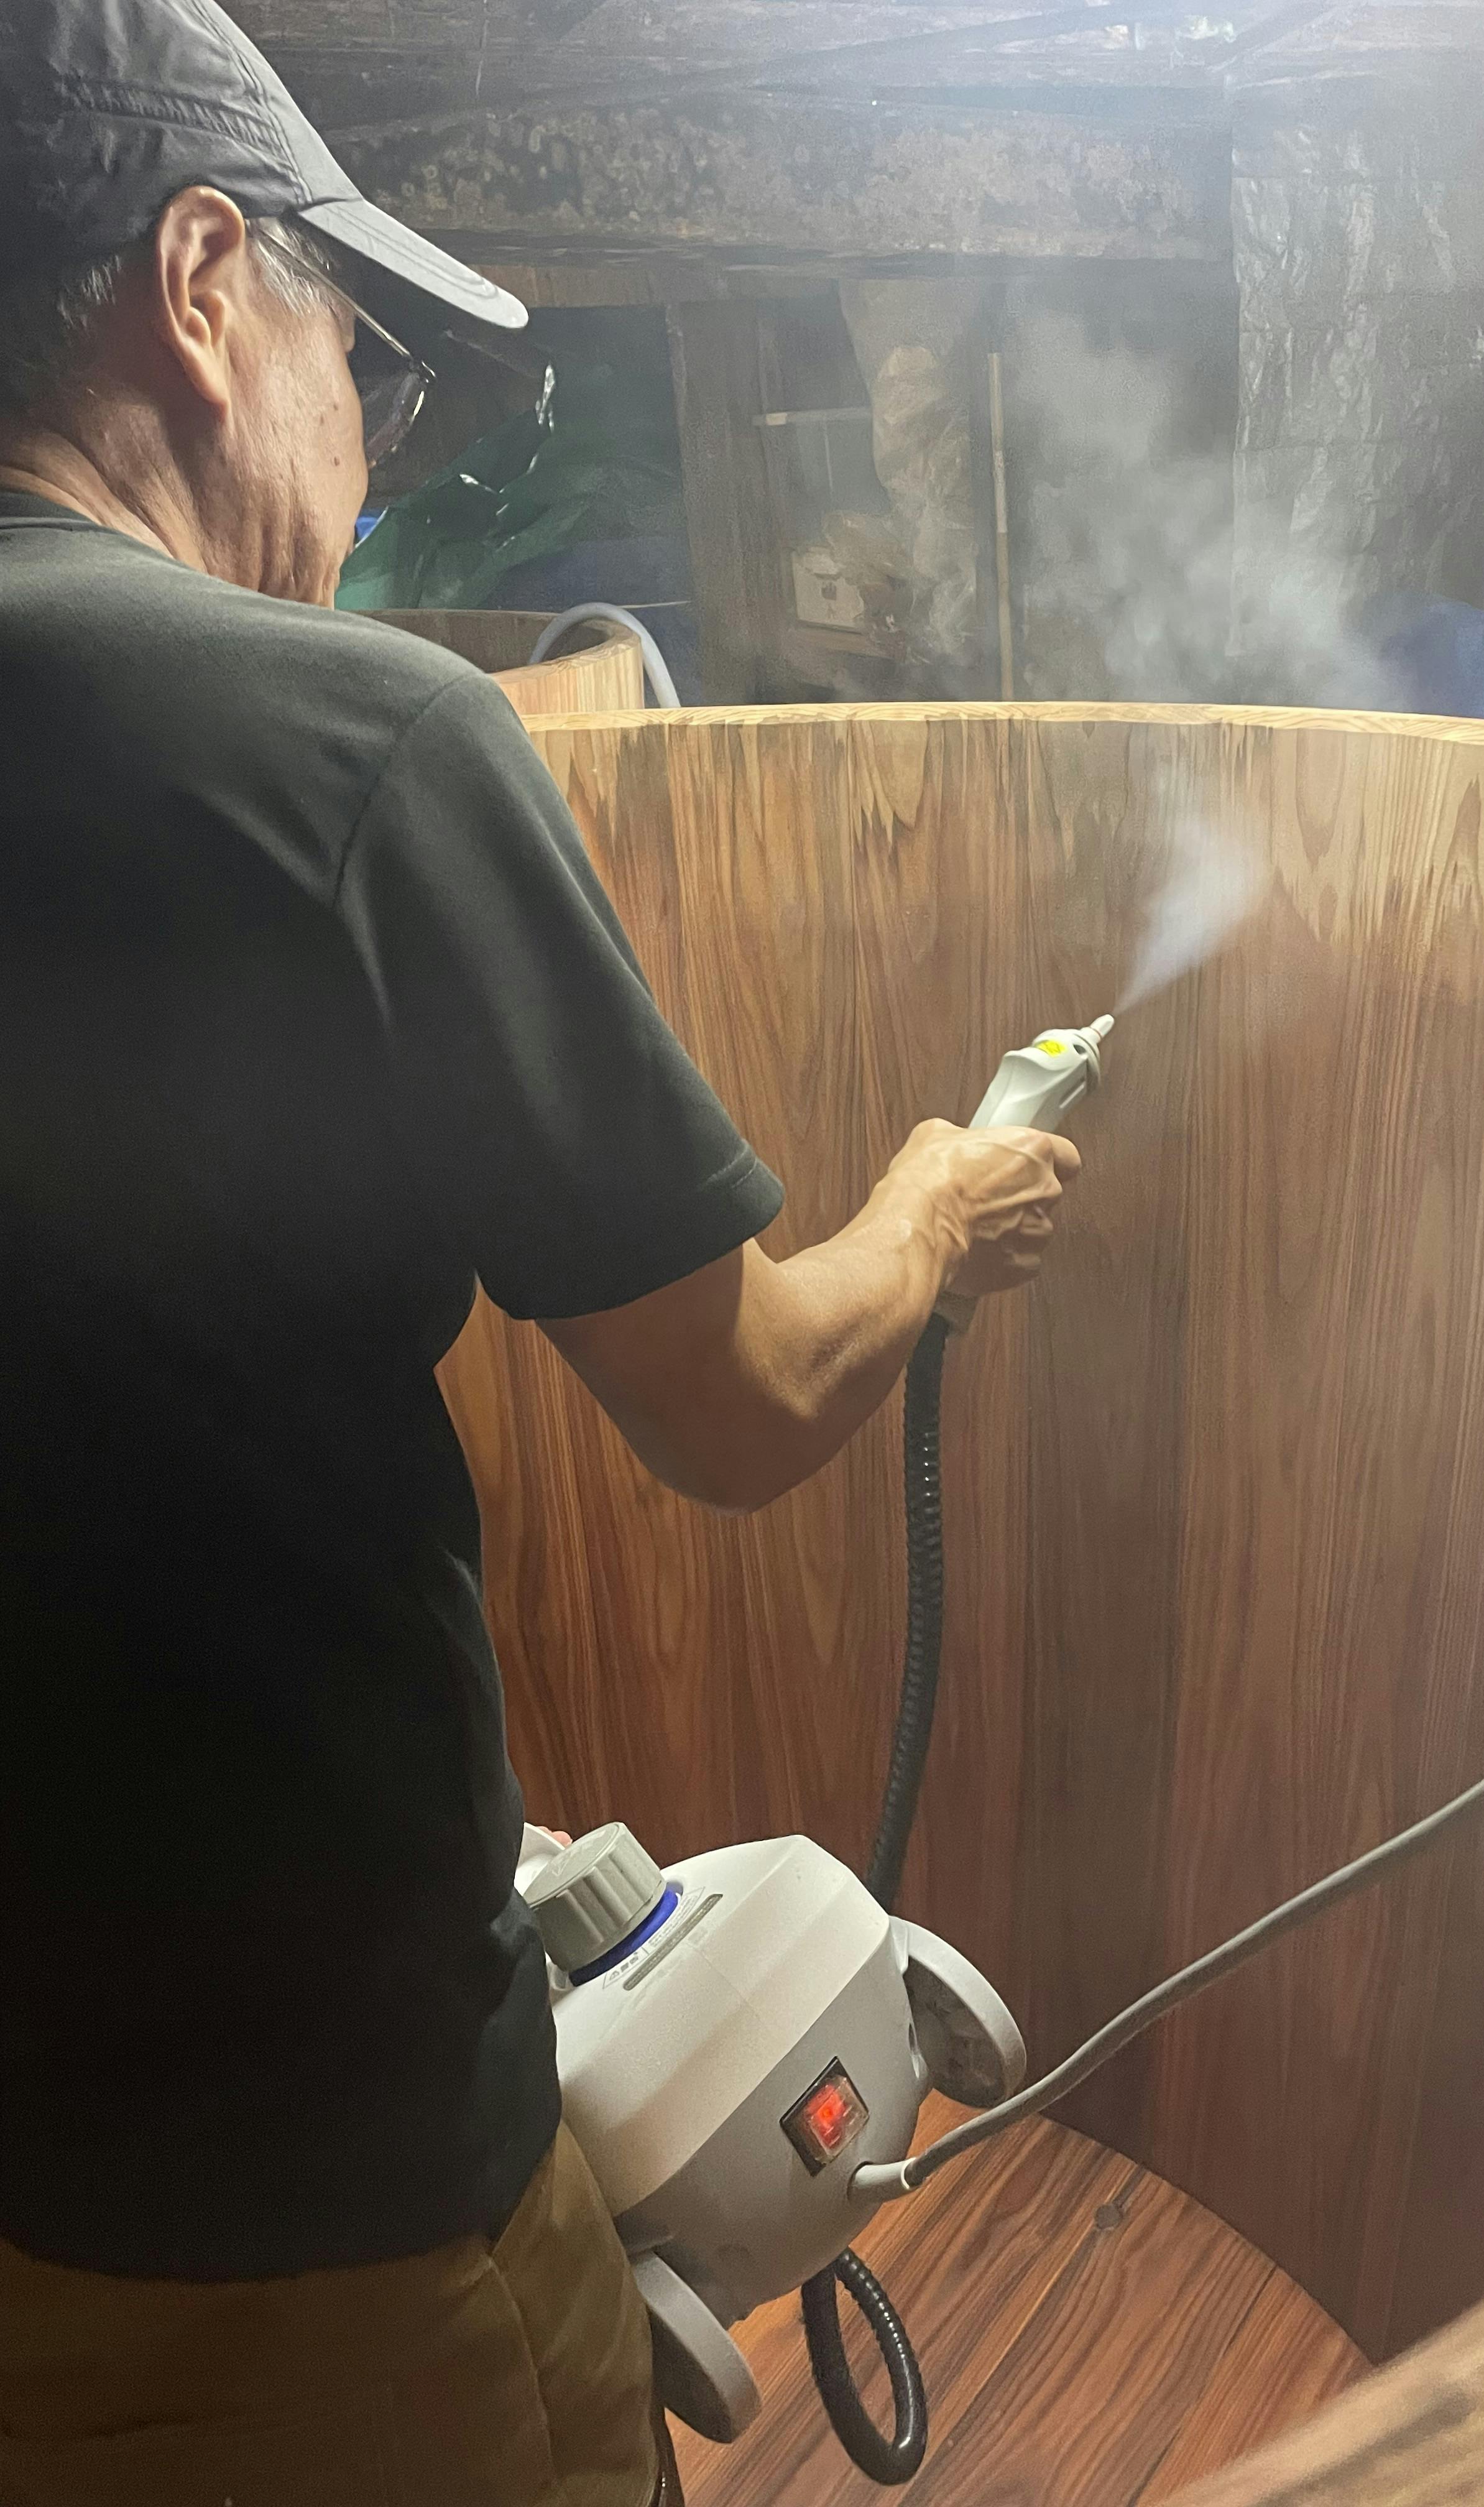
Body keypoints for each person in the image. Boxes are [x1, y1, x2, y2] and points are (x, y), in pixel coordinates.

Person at [0, 5, 1081, 2502]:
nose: (368, 458)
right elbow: (748, 1400)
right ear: (199, 286)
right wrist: (932, 1213)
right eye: (361, 367)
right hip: (326, 2175)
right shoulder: (355, 749)